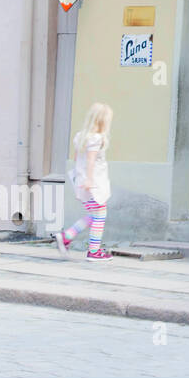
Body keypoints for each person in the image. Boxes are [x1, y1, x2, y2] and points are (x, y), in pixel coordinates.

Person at [52, 102, 114, 262]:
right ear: (102, 121)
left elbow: (76, 158)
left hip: (82, 180)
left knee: (94, 215)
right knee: (99, 215)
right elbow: (91, 161)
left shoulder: (81, 136)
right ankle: (93, 251)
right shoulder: (96, 138)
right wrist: (89, 180)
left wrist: (82, 178)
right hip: (93, 183)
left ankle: (66, 237)